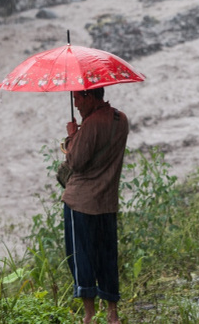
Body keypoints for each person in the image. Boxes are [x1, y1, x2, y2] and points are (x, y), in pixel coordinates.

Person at [61, 87, 129, 324]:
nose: (76, 104)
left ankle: (89, 316)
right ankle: (112, 315)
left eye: (77, 98)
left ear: (89, 97)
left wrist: (72, 136)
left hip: (80, 202)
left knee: (81, 257)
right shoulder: (121, 119)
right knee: (107, 255)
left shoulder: (90, 124)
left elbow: (76, 162)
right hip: (106, 202)